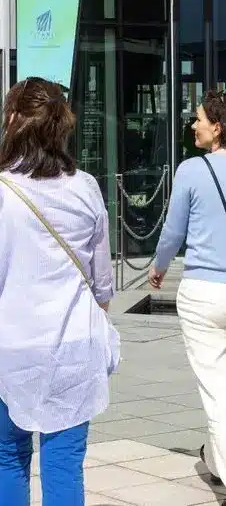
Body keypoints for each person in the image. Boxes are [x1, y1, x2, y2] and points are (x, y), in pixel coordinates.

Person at [0, 77, 120, 506]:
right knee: (64, 463)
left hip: (11, 349)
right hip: (75, 346)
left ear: (12, 121)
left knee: (7, 458)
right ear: (61, 127)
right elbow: (102, 285)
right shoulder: (87, 187)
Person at [149, 89, 226, 489]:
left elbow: (173, 231)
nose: (193, 124)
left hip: (203, 291)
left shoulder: (192, 170)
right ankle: (214, 460)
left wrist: (159, 268)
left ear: (217, 127)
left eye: (198, 118)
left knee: (216, 390)